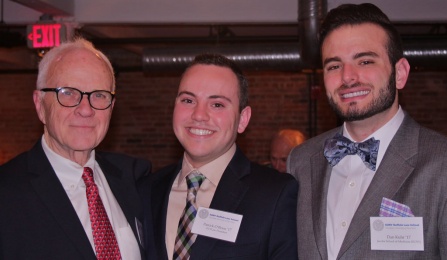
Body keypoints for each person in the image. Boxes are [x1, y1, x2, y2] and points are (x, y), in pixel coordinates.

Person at [287, 3, 447, 259]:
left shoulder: (441, 164)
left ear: (400, 74)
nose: (348, 77)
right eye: (334, 66)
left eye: (365, 61)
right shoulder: (301, 161)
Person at [0, 38, 151, 259]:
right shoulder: (6, 194)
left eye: (99, 95)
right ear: (40, 105)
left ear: (112, 107)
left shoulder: (134, 178)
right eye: (68, 93)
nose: (85, 109)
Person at [139, 53, 298, 260]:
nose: (199, 115)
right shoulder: (146, 190)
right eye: (188, 100)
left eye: (217, 105)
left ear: (242, 119)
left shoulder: (276, 195)